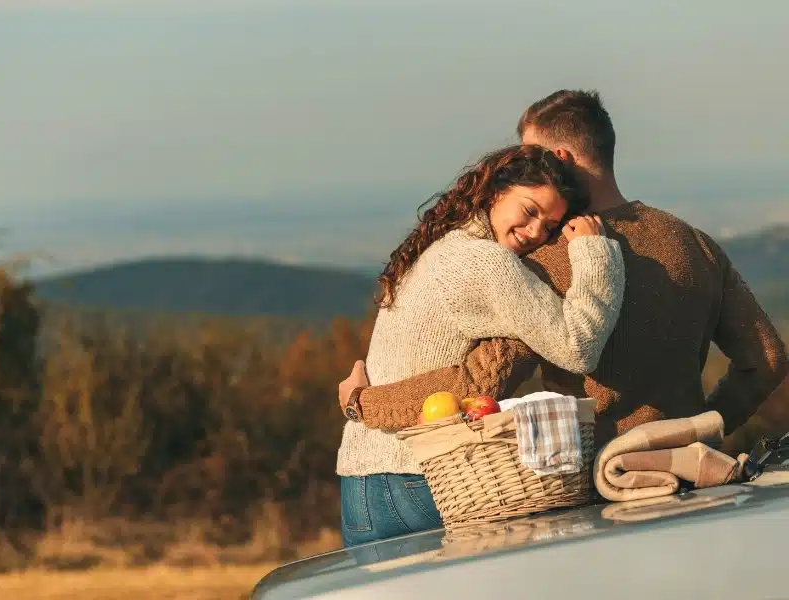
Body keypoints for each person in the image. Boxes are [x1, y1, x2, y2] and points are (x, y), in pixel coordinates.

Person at [339, 89, 788, 460]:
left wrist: (364, 403)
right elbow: (767, 358)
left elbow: (477, 383)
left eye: (528, 154)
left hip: (597, 487)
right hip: (697, 470)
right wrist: (702, 429)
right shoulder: (696, 243)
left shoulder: (551, 259)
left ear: (557, 157)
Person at [336, 143, 626, 547]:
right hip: (423, 478)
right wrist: (596, 254)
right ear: (495, 193)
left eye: (549, 225)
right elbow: (578, 347)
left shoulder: (444, 247)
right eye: (529, 211)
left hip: (361, 484)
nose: (535, 232)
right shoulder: (486, 262)